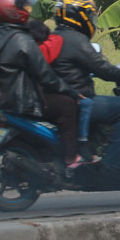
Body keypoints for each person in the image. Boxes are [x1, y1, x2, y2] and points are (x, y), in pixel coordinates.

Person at [48, 0, 120, 184]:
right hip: (79, 100)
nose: (91, 20)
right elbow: (103, 69)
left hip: (56, 100)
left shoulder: (53, 37)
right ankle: (113, 167)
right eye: (89, 15)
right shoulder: (76, 40)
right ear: (79, 16)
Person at [0, 0, 82, 167]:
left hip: (0, 100)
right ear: (13, 10)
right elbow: (45, 75)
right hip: (21, 100)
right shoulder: (22, 39)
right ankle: (71, 157)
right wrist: (71, 92)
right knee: (67, 105)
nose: (28, 12)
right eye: (25, 8)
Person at [28, 18, 98, 166]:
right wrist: (72, 92)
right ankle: (75, 153)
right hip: (32, 98)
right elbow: (49, 78)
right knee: (73, 105)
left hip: (18, 98)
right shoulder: (41, 52)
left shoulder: (19, 47)